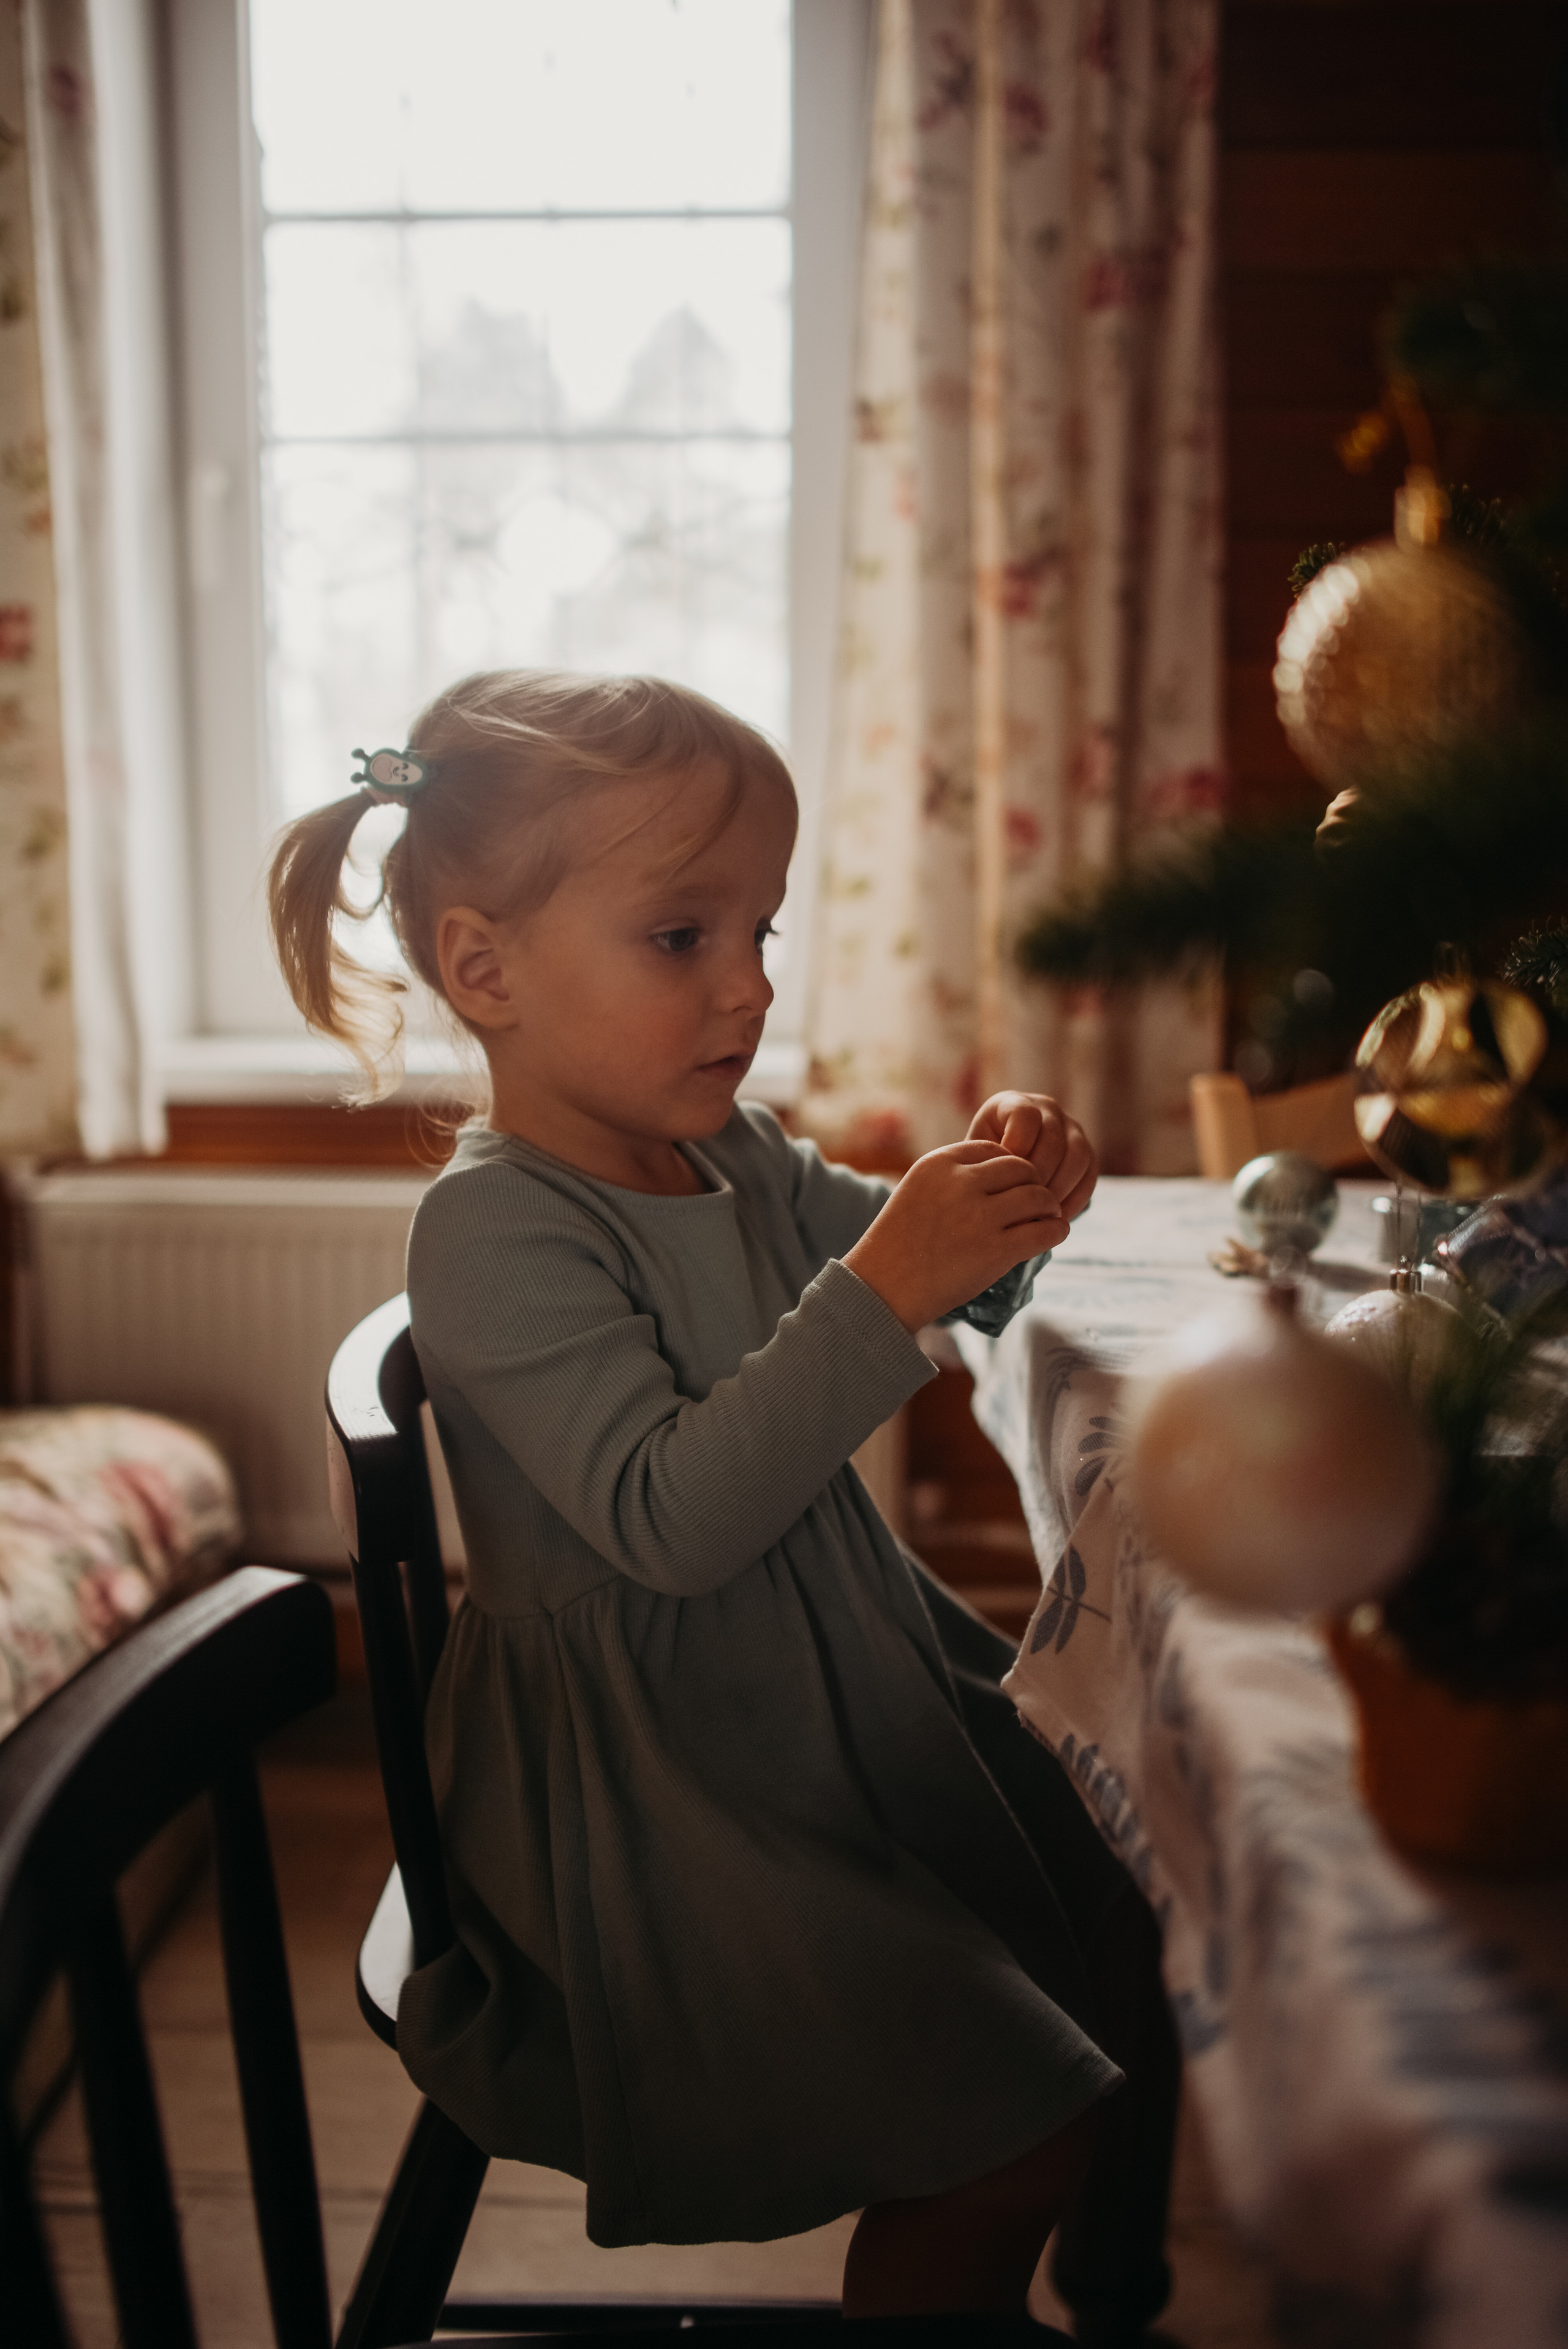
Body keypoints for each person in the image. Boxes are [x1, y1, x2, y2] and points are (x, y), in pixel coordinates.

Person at [268, 670, 1175, 2329]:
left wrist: (995, 1209)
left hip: (824, 1678)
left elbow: (920, 1279)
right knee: (1005, 2143)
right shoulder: (497, 1231)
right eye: (683, 938)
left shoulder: (729, 1149)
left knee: (1131, 1870)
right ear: (486, 969)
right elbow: (670, 1517)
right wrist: (890, 1283)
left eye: (760, 932)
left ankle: (1118, 2265)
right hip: (656, 1783)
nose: (748, 987)